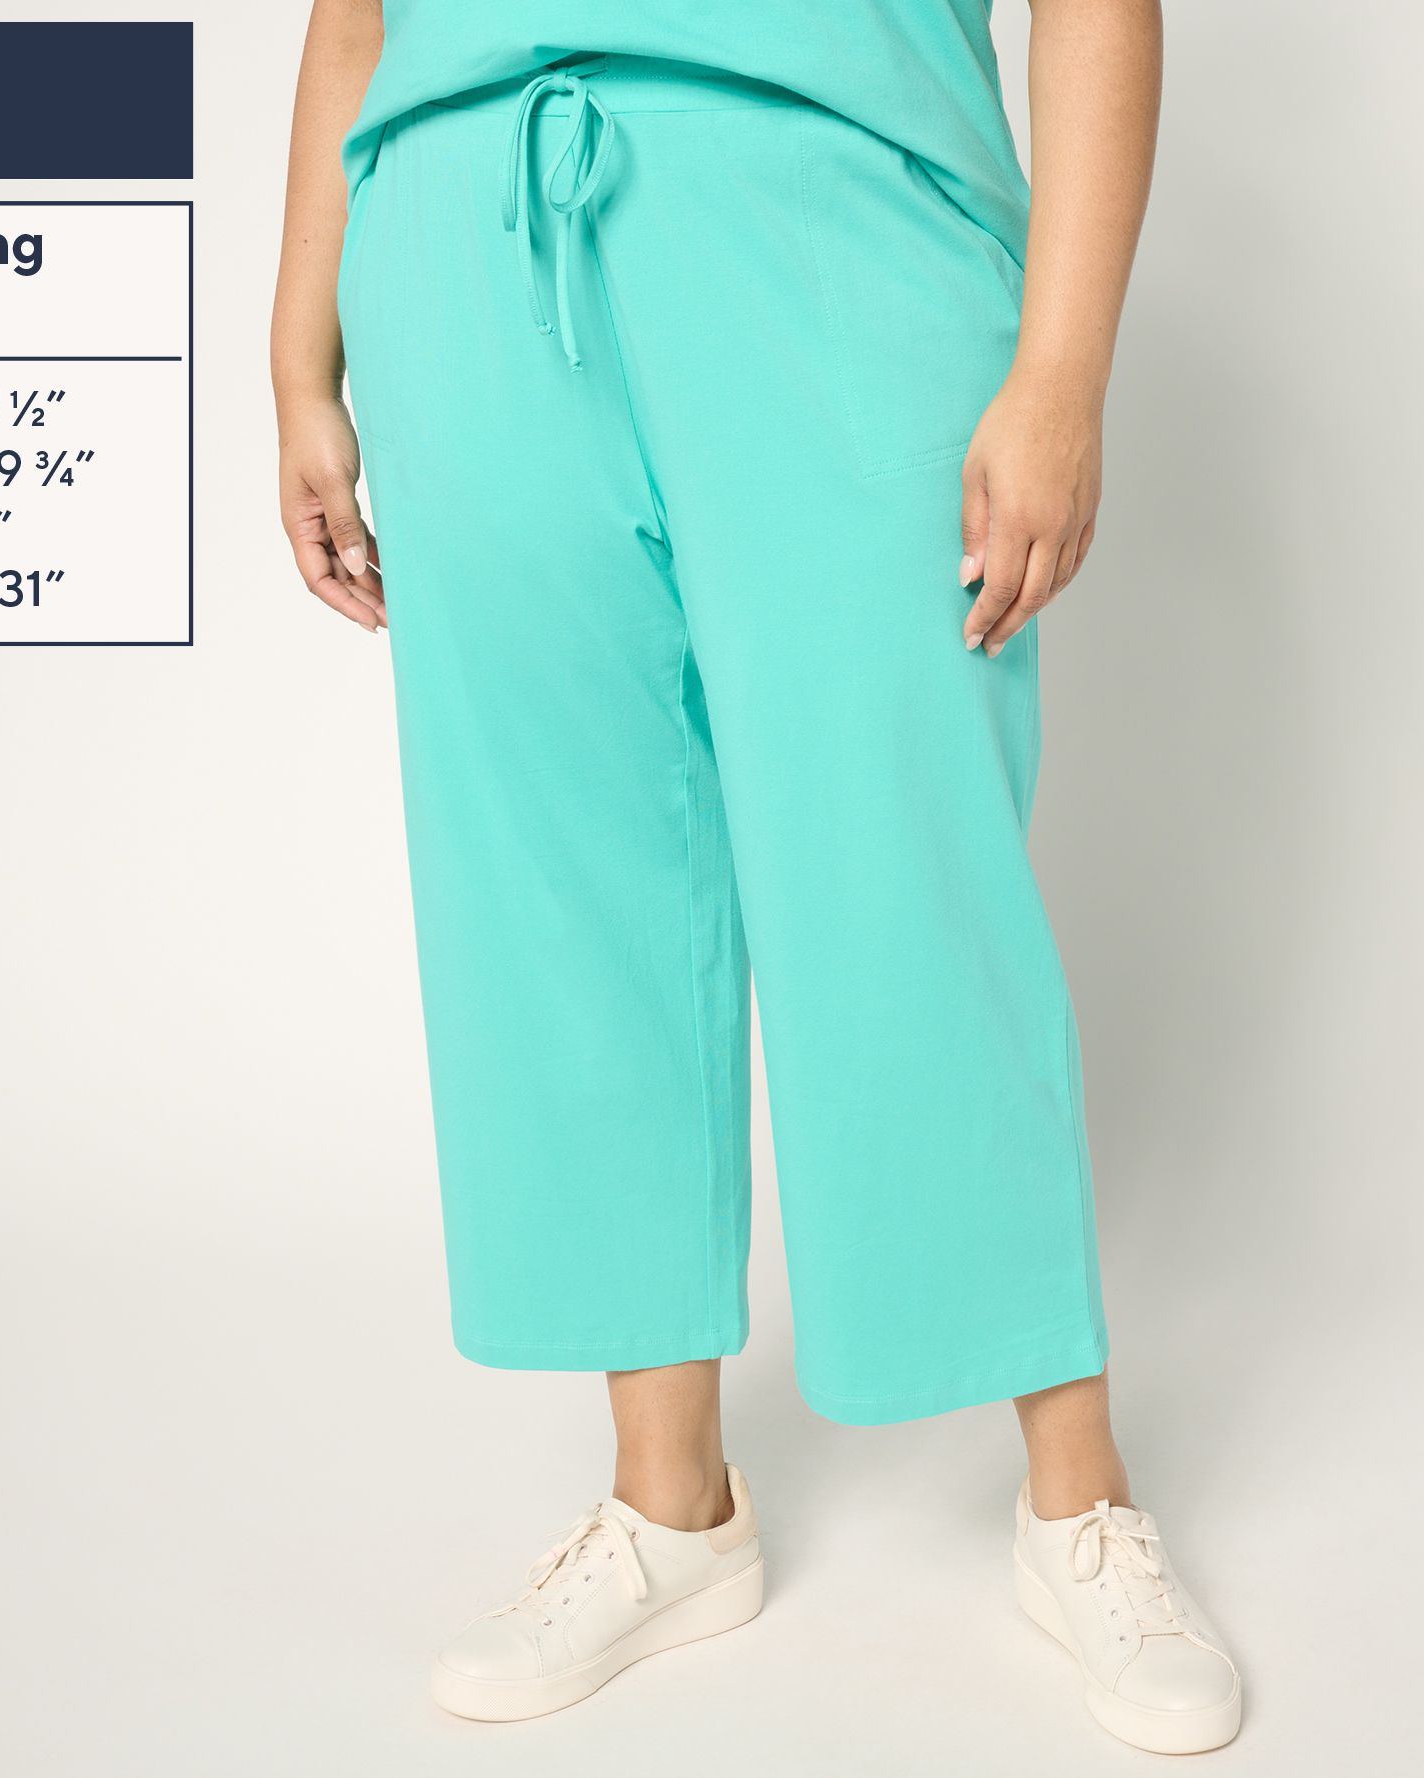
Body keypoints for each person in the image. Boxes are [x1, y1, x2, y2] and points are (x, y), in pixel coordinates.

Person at [272, 0, 1240, 1752]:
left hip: (835, 221)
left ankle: (1078, 1498)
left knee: (906, 871)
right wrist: (301, 355)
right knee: (558, 890)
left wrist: (1064, 368)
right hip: (462, 239)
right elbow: (356, 13)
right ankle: (671, 1507)